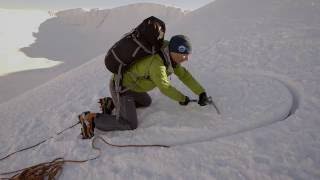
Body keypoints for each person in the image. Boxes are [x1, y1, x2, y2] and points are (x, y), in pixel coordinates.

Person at [79, 35, 210, 139]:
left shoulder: (168, 55)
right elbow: (165, 87)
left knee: (147, 101)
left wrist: (201, 92)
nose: (186, 58)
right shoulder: (157, 64)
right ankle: (91, 119)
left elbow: (184, 76)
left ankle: (111, 103)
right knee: (129, 123)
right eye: (184, 54)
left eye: (187, 54)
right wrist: (182, 98)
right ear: (174, 51)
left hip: (133, 87)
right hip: (121, 87)